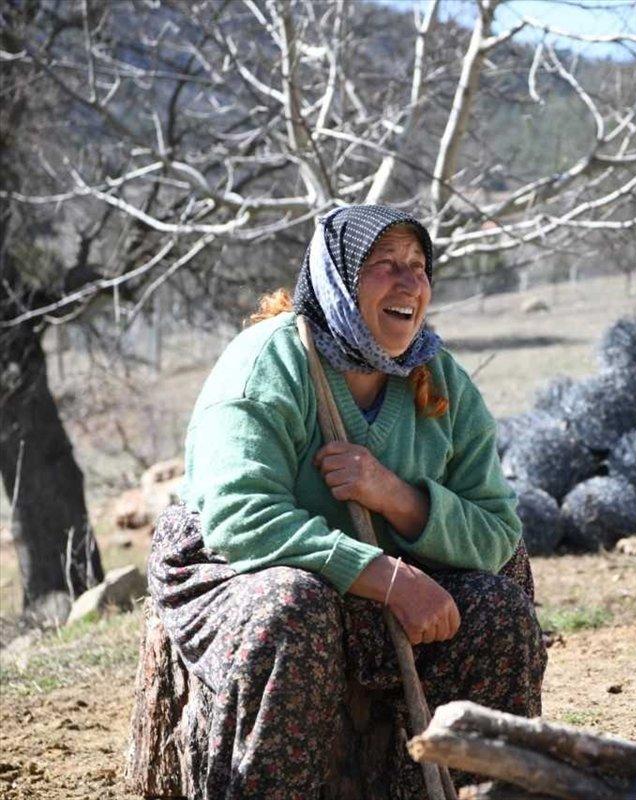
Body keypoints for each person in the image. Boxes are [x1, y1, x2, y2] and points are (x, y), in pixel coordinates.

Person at [147, 205, 546, 798]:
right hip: (231, 571)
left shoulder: (438, 379)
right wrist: (385, 578)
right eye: (384, 265)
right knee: (293, 609)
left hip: (381, 578)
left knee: (498, 614)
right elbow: (240, 516)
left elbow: (496, 531)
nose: (409, 282)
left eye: (418, 266)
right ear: (337, 277)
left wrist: (396, 497)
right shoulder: (269, 361)